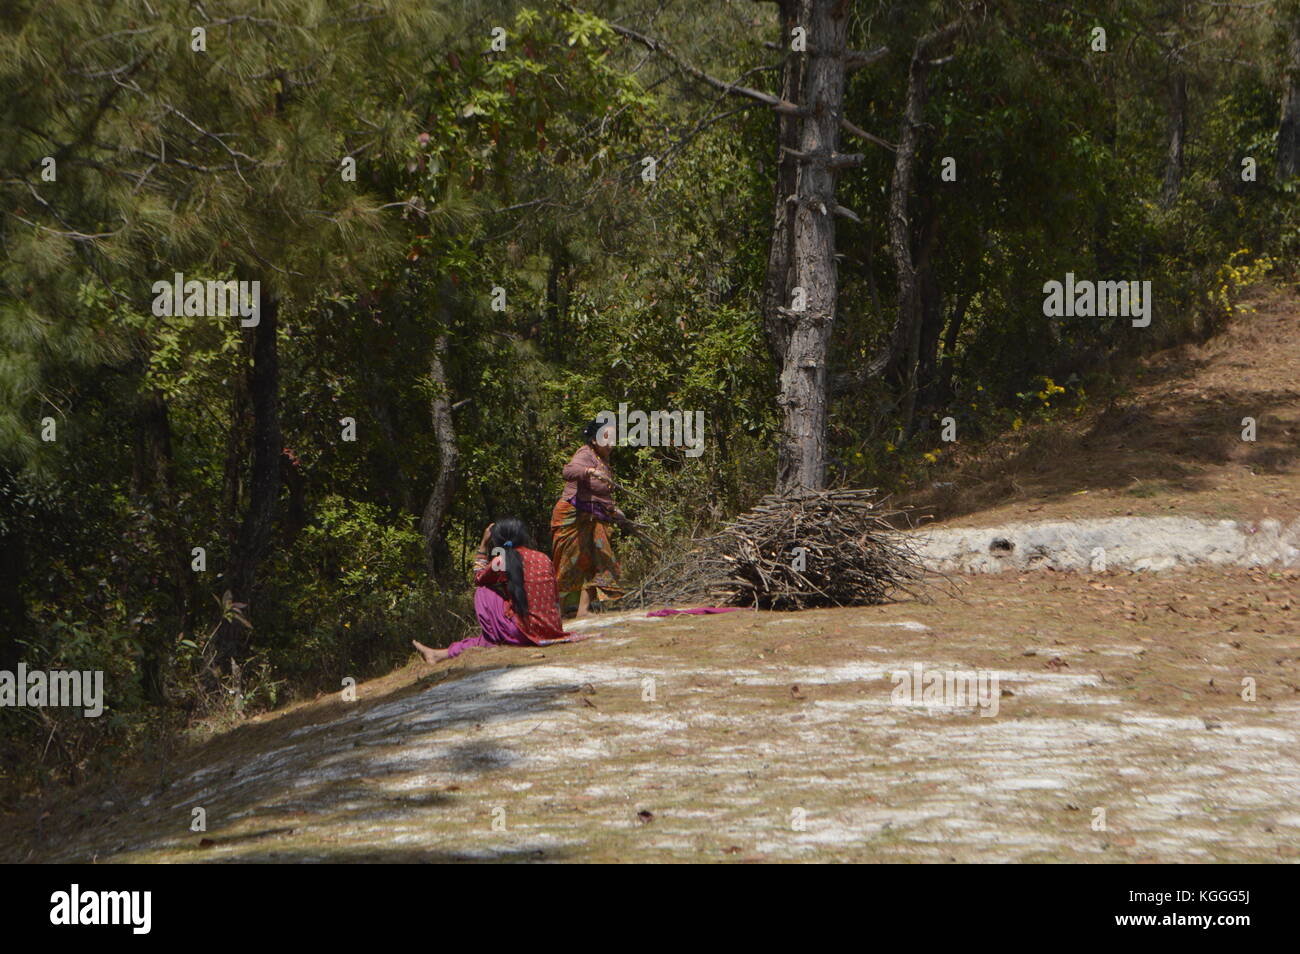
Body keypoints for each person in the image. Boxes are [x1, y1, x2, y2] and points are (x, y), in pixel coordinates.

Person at [412, 518, 567, 663]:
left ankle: (495, 636)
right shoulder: (543, 558)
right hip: (551, 629)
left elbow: (478, 578)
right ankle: (439, 654)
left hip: (523, 633)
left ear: (497, 540)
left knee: (483, 589)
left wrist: (483, 545)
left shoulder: (501, 561)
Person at [552, 418, 626, 617]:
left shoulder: (604, 459)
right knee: (569, 562)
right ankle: (555, 612)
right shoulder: (585, 455)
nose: (611, 444)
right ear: (594, 440)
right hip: (572, 517)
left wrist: (613, 510)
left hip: (594, 518)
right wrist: (588, 470)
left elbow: (600, 493)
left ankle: (583, 610)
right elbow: (567, 471)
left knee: (598, 559)